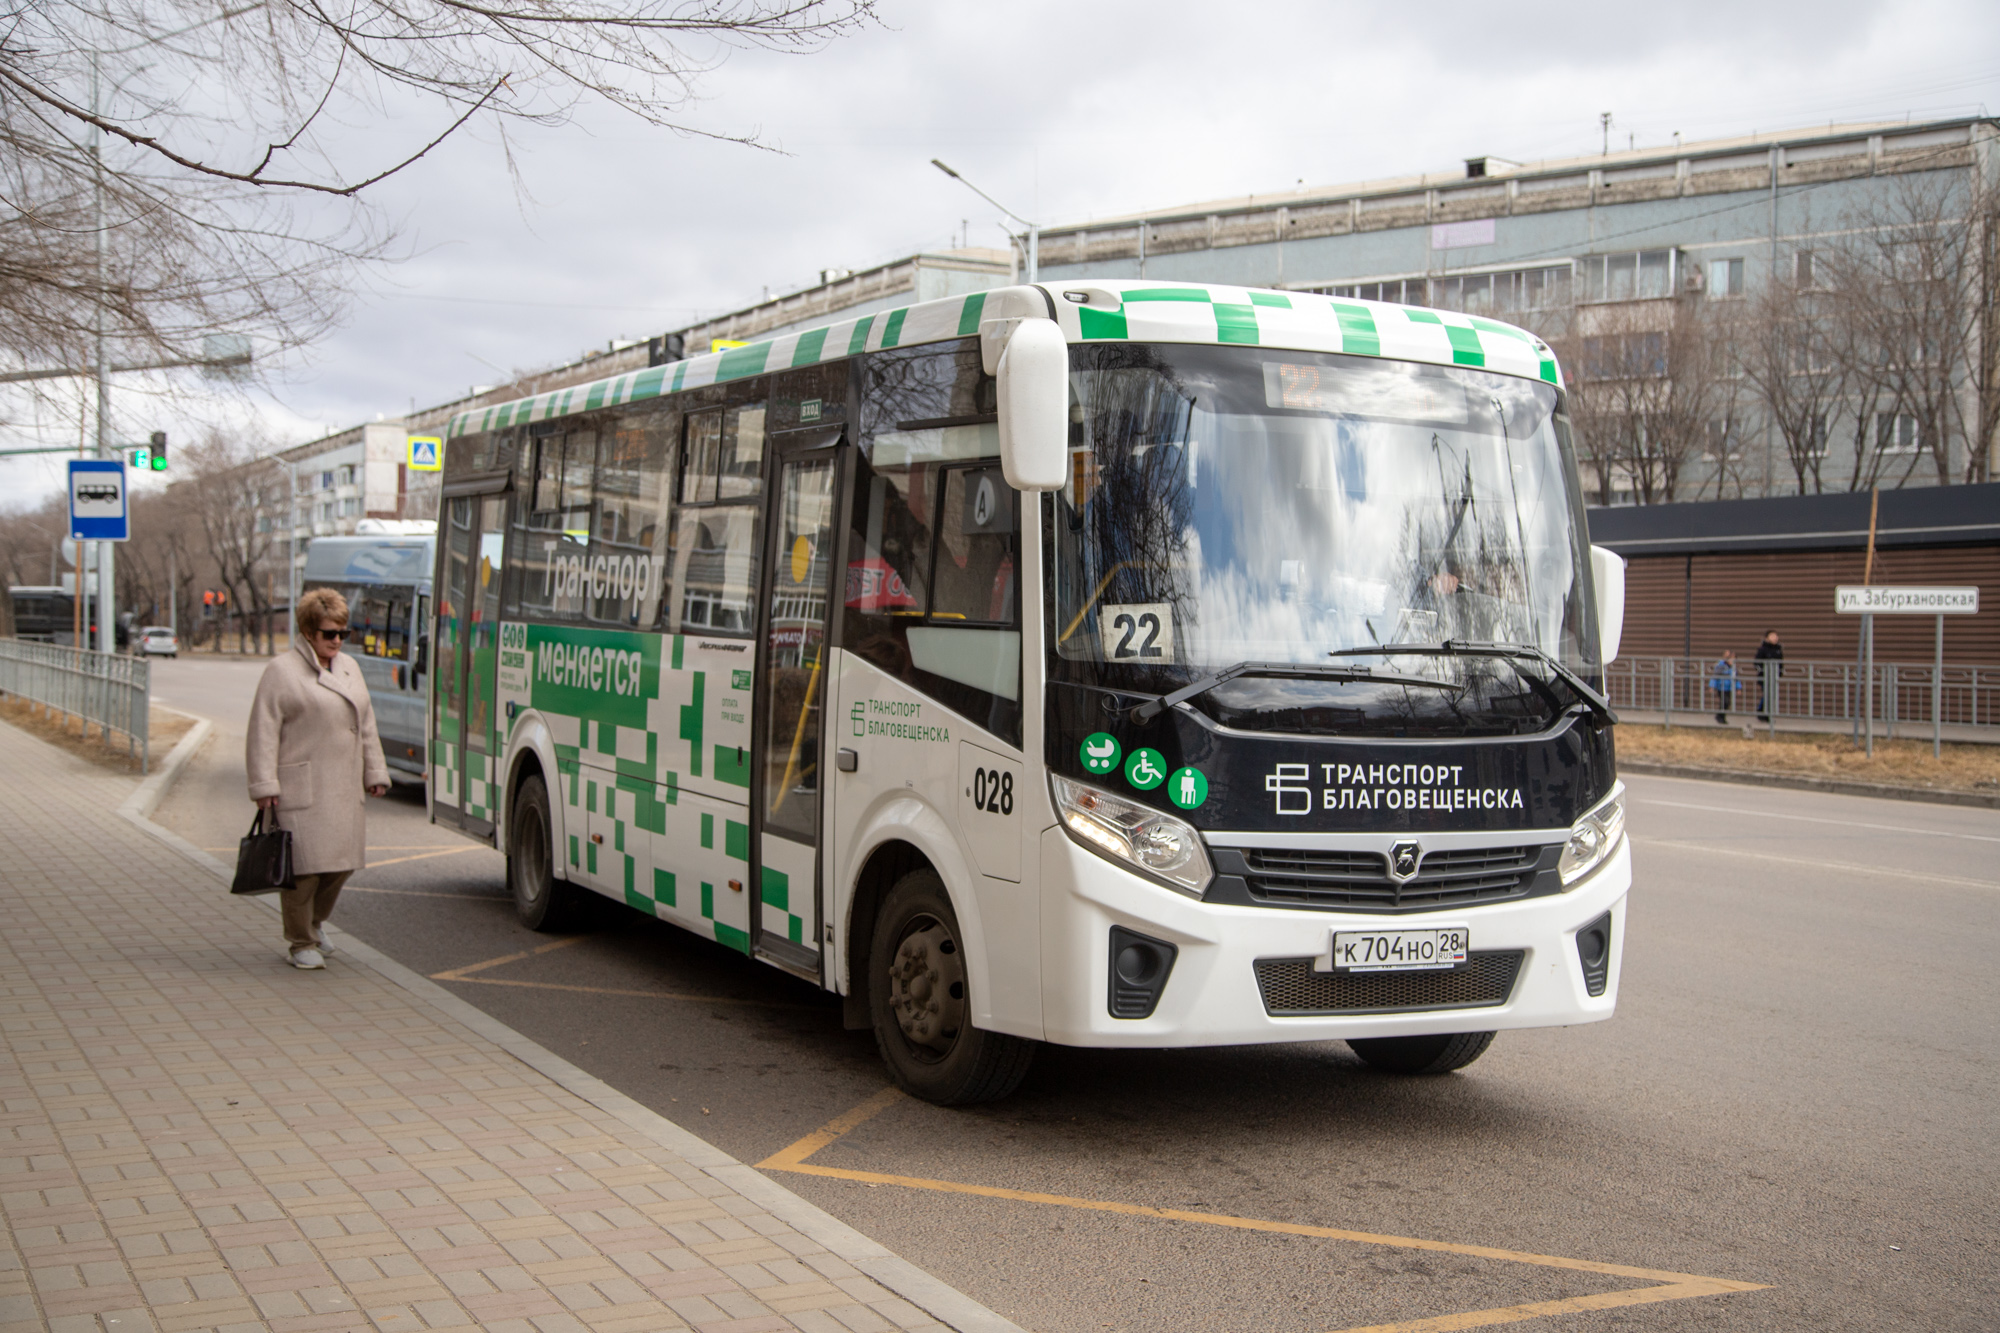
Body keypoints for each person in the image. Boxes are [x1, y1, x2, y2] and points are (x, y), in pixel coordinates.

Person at [246, 588, 390, 969]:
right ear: (308, 631)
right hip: (301, 785)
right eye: (330, 633)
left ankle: (315, 922)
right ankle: (300, 942)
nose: (338, 641)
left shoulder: (349, 668)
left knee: (340, 864)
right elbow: (263, 731)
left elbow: (366, 725)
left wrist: (375, 772)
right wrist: (264, 786)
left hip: (344, 785)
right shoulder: (281, 671)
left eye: (344, 633)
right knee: (305, 871)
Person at [1753, 629, 1784, 723]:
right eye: (1772, 636)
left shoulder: (1778, 649)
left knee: (1772, 696)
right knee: (1767, 695)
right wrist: (1763, 671)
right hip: (1765, 677)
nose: (1775, 638)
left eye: (1776, 636)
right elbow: (1757, 663)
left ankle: (1767, 714)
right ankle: (1762, 712)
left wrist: (1779, 672)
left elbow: (1780, 663)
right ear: (1767, 638)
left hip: (1774, 677)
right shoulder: (1763, 649)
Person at [1709, 648, 1739, 725]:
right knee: (1724, 702)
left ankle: (1721, 716)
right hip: (1721, 687)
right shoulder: (1721, 665)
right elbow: (1715, 676)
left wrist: (1738, 688)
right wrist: (1712, 686)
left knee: (1727, 703)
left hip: (1729, 688)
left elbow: (1736, 678)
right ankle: (1720, 716)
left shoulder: (1733, 667)